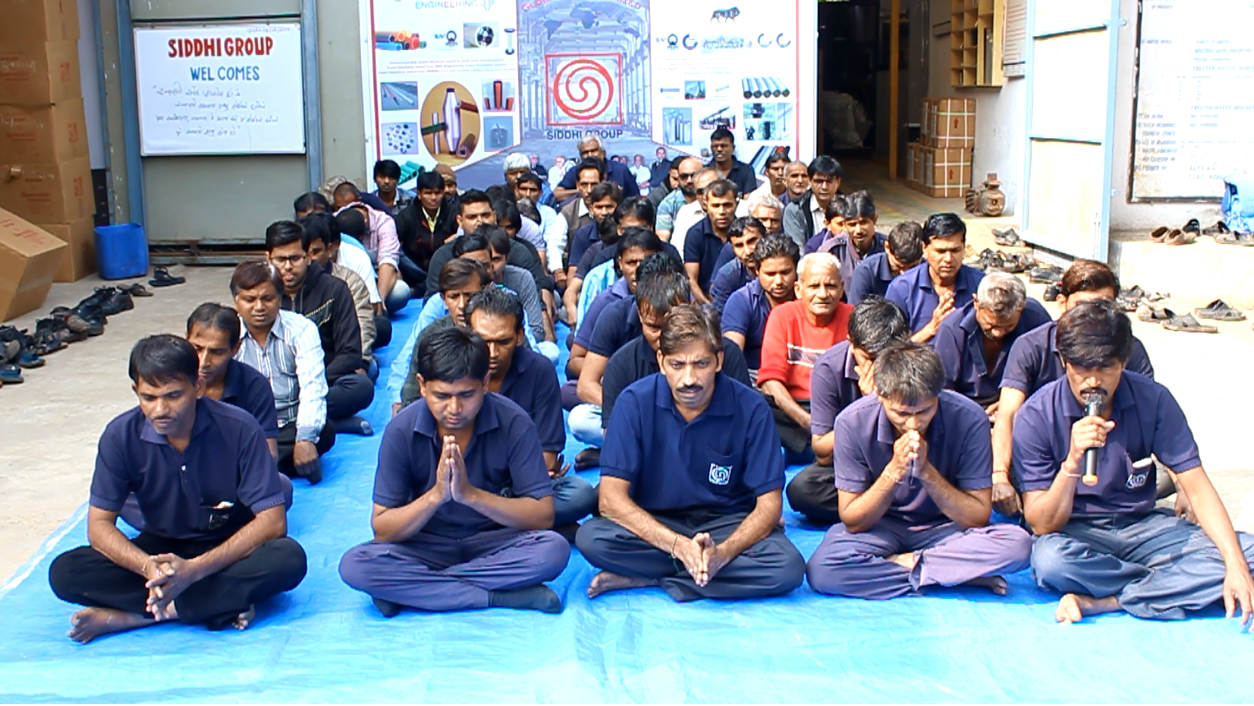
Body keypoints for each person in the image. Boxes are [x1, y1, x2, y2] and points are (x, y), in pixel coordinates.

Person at [48, 335, 307, 643]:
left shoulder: (239, 428)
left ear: (198, 386)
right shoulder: (119, 436)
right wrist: (147, 567)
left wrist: (194, 570)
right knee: (65, 571)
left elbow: (273, 522)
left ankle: (142, 616)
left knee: (288, 559)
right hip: (160, 550)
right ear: (135, 391)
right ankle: (216, 603)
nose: (160, 409)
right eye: (148, 397)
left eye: (173, 396)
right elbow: (99, 526)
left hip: (228, 546)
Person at [1013, 299, 1254, 626]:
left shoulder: (1154, 400)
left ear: (1124, 363)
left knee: (1246, 555)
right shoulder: (1036, 415)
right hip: (1077, 531)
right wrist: (1072, 462)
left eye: (1106, 368)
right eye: (1082, 369)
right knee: (1050, 562)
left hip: (1142, 526)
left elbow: (1197, 487)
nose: (1093, 382)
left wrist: (1234, 565)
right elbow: (1041, 524)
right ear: (1064, 362)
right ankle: (1167, 583)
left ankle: (1108, 600)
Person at [575, 305, 806, 601]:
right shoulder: (633, 403)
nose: (689, 379)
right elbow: (610, 499)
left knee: (787, 567)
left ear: (719, 360)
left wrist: (724, 553)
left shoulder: (752, 408)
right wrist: (679, 546)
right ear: (661, 361)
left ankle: (652, 578)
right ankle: (696, 572)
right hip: (655, 522)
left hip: (726, 523)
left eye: (701, 364)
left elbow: (770, 506)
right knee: (592, 538)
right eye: (677, 365)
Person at [338, 327, 570, 616]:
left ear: (485, 383)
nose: (455, 408)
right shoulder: (401, 430)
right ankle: (497, 596)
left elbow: (543, 515)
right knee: (355, 565)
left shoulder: (514, 422)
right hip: (425, 544)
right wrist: (436, 496)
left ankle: (415, 591)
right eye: (442, 396)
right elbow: (383, 528)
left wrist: (470, 495)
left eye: (467, 395)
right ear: (422, 386)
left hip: (495, 540)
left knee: (553, 550)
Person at [804, 342, 1033, 599]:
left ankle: (914, 566)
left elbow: (977, 516)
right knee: (822, 570)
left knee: (1019, 545)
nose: (913, 423)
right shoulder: (851, 422)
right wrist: (893, 471)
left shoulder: (969, 418)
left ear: (939, 395)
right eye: (901, 413)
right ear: (880, 396)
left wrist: (926, 472)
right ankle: (950, 574)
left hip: (945, 527)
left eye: (925, 411)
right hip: (879, 527)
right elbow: (853, 520)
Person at [991, 261, 1157, 517]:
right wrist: (999, 475)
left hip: (1110, 457)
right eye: (1082, 305)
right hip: (1045, 461)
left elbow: (1152, 416)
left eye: (1103, 305)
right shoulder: (1031, 347)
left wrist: (1183, 484)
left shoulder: (1130, 349)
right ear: (1062, 303)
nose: (1092, 314)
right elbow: (1008, 413)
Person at [466, 287, 597, 527]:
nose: (492, 352)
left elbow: (547, 458)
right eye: (483, 341)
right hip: (473, 487)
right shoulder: (454, 372)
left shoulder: (539, 371)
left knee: (580, 494)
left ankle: (498, 523)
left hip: (518, 489)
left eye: (503, 341)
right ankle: (525, 523)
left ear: (519, 336)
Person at [786, 297, 910, 525]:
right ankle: (894, 508)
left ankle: (886, 507)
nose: (878, 367)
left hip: (905, 458)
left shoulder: (914, 363)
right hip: (852, 464)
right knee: (803, 490)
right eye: (869, 358)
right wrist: (868, 407)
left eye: (886, 357)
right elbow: (822, 451)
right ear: (851, 344)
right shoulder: (828, 368)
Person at [265, 220, 374, 435]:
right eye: (280, 259)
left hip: (323, 379)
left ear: (308, 256)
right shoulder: (262, 295)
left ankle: (290, 419)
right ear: (268, 258)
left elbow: (350, 354)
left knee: (361, 387)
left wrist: (310, 382)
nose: (288, 266)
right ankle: (324, 421)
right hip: (275, 384)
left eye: (295, 258)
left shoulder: (334, 289)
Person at [231, 261, 335, 484]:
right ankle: (268, 465)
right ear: (235, 301)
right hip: (247, 428)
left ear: (280, 298)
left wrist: (305, 438)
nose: (259, 307)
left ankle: (252, 468)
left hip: (290, 425)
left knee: (324, 432)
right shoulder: (228, 334)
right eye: (249, 300)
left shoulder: (301, 329)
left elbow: (312, 386)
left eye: (267, 298)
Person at [573, 265, 691, 449]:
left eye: (673, 325)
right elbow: (586, 386)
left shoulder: (718, 352)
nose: (664, 336)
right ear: (640, 316)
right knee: (580, 419)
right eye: (654, 327)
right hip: (641, 431)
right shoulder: (620, 363)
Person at [757, 253, 853, 460]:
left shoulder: (853, 318)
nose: (823, 294)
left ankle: (817, 450)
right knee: (756, 406)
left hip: (836, 407)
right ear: (798, 290)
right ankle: (822, 450)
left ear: (841, 288)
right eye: (814, 286)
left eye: (831, 286)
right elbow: (770, 382)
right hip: (793, 407)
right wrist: (809, 422)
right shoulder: (782, 316)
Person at [934, 272, 1052, 418]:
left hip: (1021, 404)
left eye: (1008, 326)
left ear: (1021, 307)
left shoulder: (1036, 319)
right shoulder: (952, 329)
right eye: (990, 325)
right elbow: (943, 389)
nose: (998, 333)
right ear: (976, 303)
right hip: (964, 409)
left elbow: (1051, 376)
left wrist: (1011, 404)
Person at [392, 259, 490, 409]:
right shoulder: (431, 335)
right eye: (454, 297)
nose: (462, 305)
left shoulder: (500, 331)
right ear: (443, 299)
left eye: (470, 296)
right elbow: (412, 393)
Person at [423, 190, 552, 300]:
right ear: (460, 221)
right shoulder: (443, 256)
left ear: (494, 216)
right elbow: (433, 301)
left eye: (485, 215)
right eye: (472, 217)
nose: (480, 221)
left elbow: (540, 286)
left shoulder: (518, 250)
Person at [298, 213, 382, 379]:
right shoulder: (289, 282)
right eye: (304, 254)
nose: (309, 260)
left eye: (315, 252)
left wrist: (359, 362)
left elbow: (362, 327)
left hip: (338, 361)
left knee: (361, 380)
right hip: (300, 365)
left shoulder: (349, 281)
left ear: (329, 249)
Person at [885, 212, 984, 342]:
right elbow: (889, 349)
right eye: (940, 251)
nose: (948, 259)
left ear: (964, 248)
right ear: (924, 249)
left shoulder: (981, 286)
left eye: (955, 250)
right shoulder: (901, 289)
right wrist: (931, 329)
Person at [722, 233, 800, 375]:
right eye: (770, 274)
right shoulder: (741, 301)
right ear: (757, 271)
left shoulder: (809, 298)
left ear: (796, 269)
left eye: (785, 272)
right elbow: (731, 357)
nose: (778, 281)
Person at [331, 191, 409, 315]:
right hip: (343, 281)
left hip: (377, 280)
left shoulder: (384, 222)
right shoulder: (334, 221)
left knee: (400, 292)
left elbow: (388, 261)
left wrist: (379, 301)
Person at [394, 171, 458, 296]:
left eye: (437, 193)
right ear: (419, 194)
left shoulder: (453, 213)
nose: (433, 198)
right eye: (428, 193)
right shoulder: (405, 216)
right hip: (414, 274)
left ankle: (422, 289)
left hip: (445, 272)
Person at [818, 191, 886, 293]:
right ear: (845, 225)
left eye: (863, 222)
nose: (858, 230)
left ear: (875, 219)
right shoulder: (832, 250)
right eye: (852, 225)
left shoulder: (888, 248)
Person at [683, 179, 738, 302]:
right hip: (705, 303)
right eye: (716, 206)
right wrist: (709, 307)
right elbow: (691, 280)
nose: (722, 212)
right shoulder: (695, 234)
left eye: (727, 205)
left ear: (736, 204)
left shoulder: (746, 234)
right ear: (706, 205)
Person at [847, 220, 924, 305]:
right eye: (899, 266)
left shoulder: (929, 270)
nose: (904, 274)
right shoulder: (866, 271)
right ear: (887, 247)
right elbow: (855, 310)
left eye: (912, 268)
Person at [514, 171, 568, 281]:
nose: (527, 194)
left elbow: (550, 242)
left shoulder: (549, 213)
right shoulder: (510, 211)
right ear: (516, 190)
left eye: (533, 190)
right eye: (523, 189)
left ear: (540, 193)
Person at [553, 134, 640, 201]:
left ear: (603, 153)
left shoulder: (621, 170)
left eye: (594, 151)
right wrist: (583, 191)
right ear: (580, 156)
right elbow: (556, 195)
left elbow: (635, 198)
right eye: (585, 152)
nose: (590, 155)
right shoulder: (575, 171)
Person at [783, 156, 842, 248]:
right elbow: (797, 249)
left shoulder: (849, 208)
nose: (824, 187)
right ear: (810, 181)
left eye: (829, 181)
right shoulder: (795, 210)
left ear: (838, 182)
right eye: (819, 181)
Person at [708, 217, 765, 312]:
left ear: (765, 238)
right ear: (732, 249)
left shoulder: (782, 265)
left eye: (752, 241)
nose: (747, 252)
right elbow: (720, 316)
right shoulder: (727, 276)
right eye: (739, 245)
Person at [670, 168, 718, 257]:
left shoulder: (742, 209)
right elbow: (678, 251)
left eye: (711, 189)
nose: (705, 196)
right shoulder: (686, 212)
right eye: (700, 192)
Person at [557, 158, 602, 248]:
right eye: (584, 185)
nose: (589, 190)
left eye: (594, 184)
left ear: (603, 182)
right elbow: (556, 244)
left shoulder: (615, 209)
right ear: (577, 185)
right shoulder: (568, 212)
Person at [656, 156, 702, 242]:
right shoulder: (667, 204)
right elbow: (662, 239)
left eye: (693, 175)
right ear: (678, 178)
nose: (689, 180)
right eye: (684, 176)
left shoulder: (712, 198)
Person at [707, 128, 758, 196]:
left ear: (733, 148)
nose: (719, 149)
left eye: (723, 146)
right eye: (715, 146)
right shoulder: (704, 171)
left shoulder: (746, 171)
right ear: (711, 148)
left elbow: (749, 198)